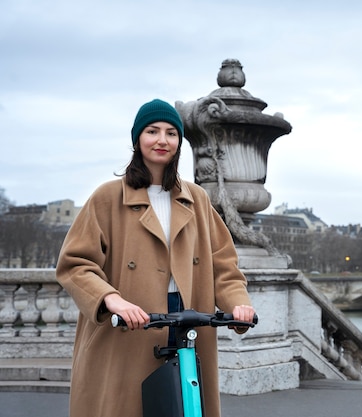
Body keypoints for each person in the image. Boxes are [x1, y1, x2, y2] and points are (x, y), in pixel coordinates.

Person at [56, 99, 255, 417]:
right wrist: (111, 299)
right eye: (152, 131)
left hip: (187, 318)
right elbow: (76, 264)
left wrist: (237, 303)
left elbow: (223, 264)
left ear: (179, 142)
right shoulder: (107, 197)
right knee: (127, 406)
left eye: (171, 133)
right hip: (129, 321)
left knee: (183, 405)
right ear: (137, 139)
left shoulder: (197, 198)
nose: (163, 140)